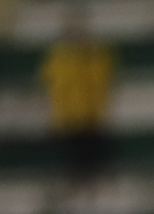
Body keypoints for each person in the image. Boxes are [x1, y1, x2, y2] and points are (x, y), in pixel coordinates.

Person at [42, 7, 115, 186]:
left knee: (92, 159)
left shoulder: (97, 55)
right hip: (70, 120)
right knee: (74, 160)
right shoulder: (59, 58)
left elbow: (103, 83)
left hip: (92, 119)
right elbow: (55, 89)